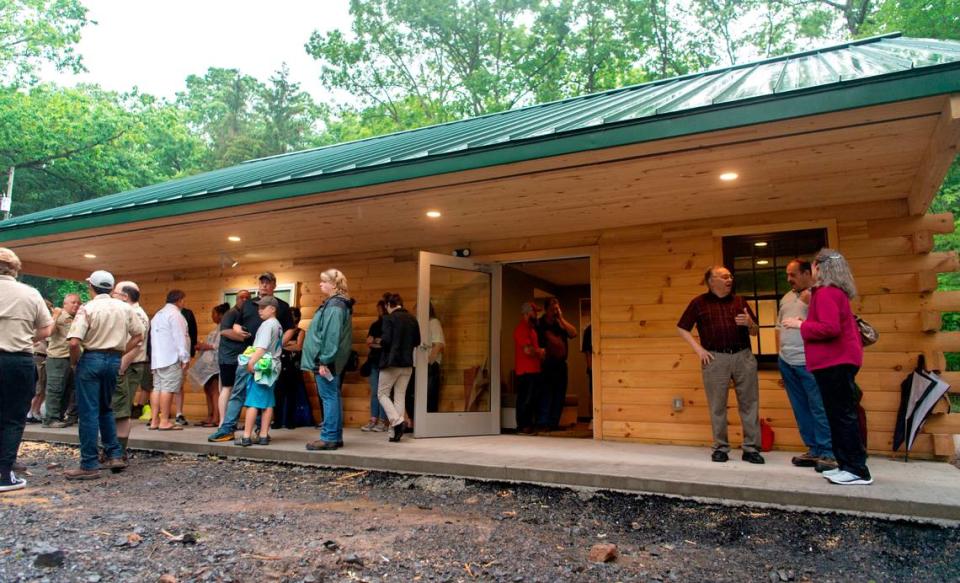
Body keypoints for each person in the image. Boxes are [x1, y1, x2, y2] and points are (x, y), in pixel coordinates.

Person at [782, 249, 870, 485]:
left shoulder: (827, 292)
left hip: (836, 362)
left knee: (843, 416)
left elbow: (830, 328)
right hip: (832, 362)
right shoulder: (829, 292)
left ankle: (857, 469)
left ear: (819, 268)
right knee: (837, 415)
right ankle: (845, 465)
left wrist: (801, 325)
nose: (812, 270)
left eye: (813, 266)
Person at [677, 266, 764, 464]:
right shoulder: (699, 303)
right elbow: (682, 328)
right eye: (724, 276)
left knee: (749, 403)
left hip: (743, 356)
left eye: (730, 276)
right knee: (717, 405)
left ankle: (751, 449)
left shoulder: (740, 301)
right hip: (715, 358)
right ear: (711, 281)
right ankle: (721, 447)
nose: (729, 279)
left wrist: (749, 323)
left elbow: (755, 331)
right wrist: (699, 350)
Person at [65, 270, 144, 480]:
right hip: (114, 360)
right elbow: (139, 335)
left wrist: (75, 362)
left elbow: (74, 341)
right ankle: (115, 454)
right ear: (110, 287)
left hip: (91, 358)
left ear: (91, 287)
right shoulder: (124, 308)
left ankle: (89, 464)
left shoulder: (87, 308)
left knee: (88, 412)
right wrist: (121, 351)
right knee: (106, 408)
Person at [208, 273, 294, 442]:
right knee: (238, 392)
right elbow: (236, 324)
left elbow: (290, 328)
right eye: (261, 282)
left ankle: (259, 432)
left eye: (267, 282)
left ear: (274, 285)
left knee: (262, 397)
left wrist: (276, 344)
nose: (264, 285)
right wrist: (238, 329)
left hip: (265, 359)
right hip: (248, 354)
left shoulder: (281, 306)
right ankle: (227, 428)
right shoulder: (248, 304)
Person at [0, 248, 54, 492]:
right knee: (13, 418)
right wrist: (26, 337)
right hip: (17, 360)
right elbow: (46, 329)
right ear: (15, 268)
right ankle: (4, 474)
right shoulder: (30, 294)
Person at [777, 260, 836, 471]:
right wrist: (780, 358)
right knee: (800, 408)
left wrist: (810, 302)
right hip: (787, 361)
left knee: (819, 406)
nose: (789, 279)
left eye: (792, 274)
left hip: (810, 361)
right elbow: (779, 329)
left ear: (805, 273)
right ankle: (813, 449)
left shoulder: (821, 294)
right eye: (787, 275)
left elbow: (829, 325)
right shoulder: (786, 297)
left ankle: (828, 451)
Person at [302, 269, 354, 451]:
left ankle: (329, 437)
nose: (320, 284)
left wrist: (324, 360)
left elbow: (332, 335)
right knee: (333, 396)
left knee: (329, 396)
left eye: (323, 281)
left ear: (333, 284)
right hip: (329, 358)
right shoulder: (337, 304)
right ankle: (335, 435)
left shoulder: (335, 305)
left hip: (326, 359)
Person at [111, 282, 152, 458]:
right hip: (133, 365)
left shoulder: (133, 314)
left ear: (125, 296)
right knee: (121, 409)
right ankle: (115, 450)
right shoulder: (136, 312)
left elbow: (137, 341)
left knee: (120, 411)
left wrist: (122, 364)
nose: (112, 296)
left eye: (115, 293)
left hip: (128, 366)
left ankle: (117, 452)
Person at [239, 296, 284, 446]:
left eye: (263, 307)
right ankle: (264, 434)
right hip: (274, 366)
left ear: (273, 309)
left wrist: (251, 362)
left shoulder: (267, 325)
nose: (260, 310)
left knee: (253, 402)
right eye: (259, 307)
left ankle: (246, 436)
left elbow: (262, 348)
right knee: (268, 403)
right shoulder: (278, 325)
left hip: (263, 366)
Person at [376, 293, 420, 443]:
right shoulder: (412, 319)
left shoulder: (389, 318)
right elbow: (417, 341)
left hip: (391, 363)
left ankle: (396, 421)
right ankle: (394, 433)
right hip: (407, 364)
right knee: (400, 396)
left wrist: (380, 342)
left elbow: (386, 341)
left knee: (382, 394)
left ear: (389, 305)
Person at [210, 290, 251, 440]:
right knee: (227, 388)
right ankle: (223, 421)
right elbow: (225, 332)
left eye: (248, 297)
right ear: (236, 299)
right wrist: (245, 340)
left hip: (241, 359)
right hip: (228, 359)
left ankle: (231, 421)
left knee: (238, 390)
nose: (245, 300)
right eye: (242, 297)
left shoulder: (246, 315)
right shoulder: (231, 313)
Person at [148, 290, 190, 431]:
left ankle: (154, 420)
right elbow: (180, 337)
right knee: (168, 388)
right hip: (170, 357)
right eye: (183, 300)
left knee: (157, 388)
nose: (184, 303)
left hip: (157, 358)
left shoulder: (157, 315)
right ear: (179, 300)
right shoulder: (175, 315)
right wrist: (184, 357)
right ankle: (164, 421)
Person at [536, 297, 577, 431]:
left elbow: (574, 333)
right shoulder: (540, 324)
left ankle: (553, 424)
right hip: (547, 364)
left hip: (561, 364)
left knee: (559, 395)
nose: (555, 311)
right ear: (546, 309)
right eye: (553, 309)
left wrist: (561, 319)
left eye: (557, 308)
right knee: (547, 394)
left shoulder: (560, 324)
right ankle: (543, 423)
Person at [188, 303, 230, 428]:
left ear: (221, 315)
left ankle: (216, 417)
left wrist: (205, 346)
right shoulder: (216, 329)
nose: (212, 316)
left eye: (214, 313)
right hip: (208, 364)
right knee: (207, 389)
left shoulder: (225, 328)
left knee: (214, 390)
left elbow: (218, 346)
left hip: (216, 364)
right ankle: (210, 415)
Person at [43, 293, 81, 428]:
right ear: (65, 304)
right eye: (73, 302)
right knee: (55, 389)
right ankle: (50, 419)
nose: (76, 305)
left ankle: (60, 416)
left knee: (69, 390)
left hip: (72, 358)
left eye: (78, 302)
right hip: (57, 358)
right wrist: (55, 316)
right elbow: (49, 332)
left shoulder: (78, 318)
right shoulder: (59, 316)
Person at [274, 306, 310, 429]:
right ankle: (277, 421)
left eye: (294, 315)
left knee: (291, 394)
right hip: (279, 364)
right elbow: (277, 345)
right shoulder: (282, 330)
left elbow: (298, 347)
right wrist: (289, 344)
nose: (291, 317)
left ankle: (290, 421)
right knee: (278, 394)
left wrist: (284, 345)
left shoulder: (300, 331)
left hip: (292, 365)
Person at [513, 302, 544, 434]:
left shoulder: (532, 330)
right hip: (525, 371)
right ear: (526, 313)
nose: (536, 315)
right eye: (534, 312)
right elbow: (527, 350)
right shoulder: (521, 329)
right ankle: (523, 426)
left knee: (532, 399)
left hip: (534, 370)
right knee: (526, 399)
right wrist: (540, 352)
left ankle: (530, 425)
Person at [361, 299, 389, 432]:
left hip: (386, 362)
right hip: (373, 362)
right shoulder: (375, 325)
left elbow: (387, 344)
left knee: (383, 393)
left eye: (380, 309)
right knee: (374, 392)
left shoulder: (390, 324)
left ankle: (383, 421)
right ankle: (373, 418)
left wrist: (378, 342)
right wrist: (378, 342)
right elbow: (369, 342)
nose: (378, 311)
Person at [26, 300, 53, 423]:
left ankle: (36, 411)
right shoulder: (37, 324)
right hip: (38, 357)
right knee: (38, 387)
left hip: (45, 357)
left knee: (43, 388)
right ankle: (30, 412)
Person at [174, 304, 198, 426]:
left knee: (179, 384)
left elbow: (193, 334)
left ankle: (178, 413)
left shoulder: (187, 313)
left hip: (183, 354)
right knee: (161, 386)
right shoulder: (163, 314)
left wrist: (190, 353)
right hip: (166, 355)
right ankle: (158, 415)